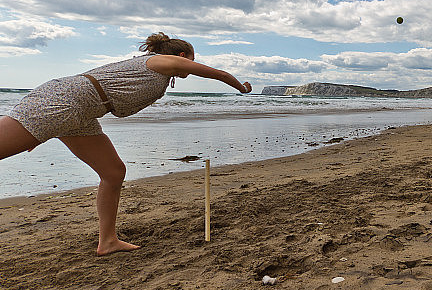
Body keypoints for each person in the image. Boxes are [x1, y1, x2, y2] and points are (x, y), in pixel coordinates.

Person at [0, 32, 252, 255]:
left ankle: (108, 241)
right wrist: (242, 88)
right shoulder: (163, 61)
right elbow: (218, 74)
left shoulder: (154, 68)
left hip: (83, 113)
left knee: (113, 172)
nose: (191, 66)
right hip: (67, 101)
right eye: (191, 60)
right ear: (183, 55)